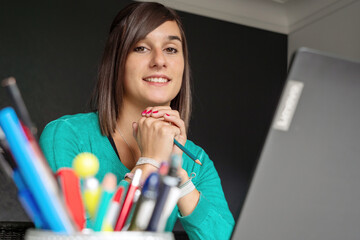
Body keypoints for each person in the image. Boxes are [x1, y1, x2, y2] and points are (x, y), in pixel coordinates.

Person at [39, 2, 234, 239]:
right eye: (141, 48)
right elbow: (71, 233)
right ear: (117, 61)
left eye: (171, 49)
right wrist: (149, 164)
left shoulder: (196, 162)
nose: (159, 60)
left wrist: (179, 177)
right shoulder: (66, 135)